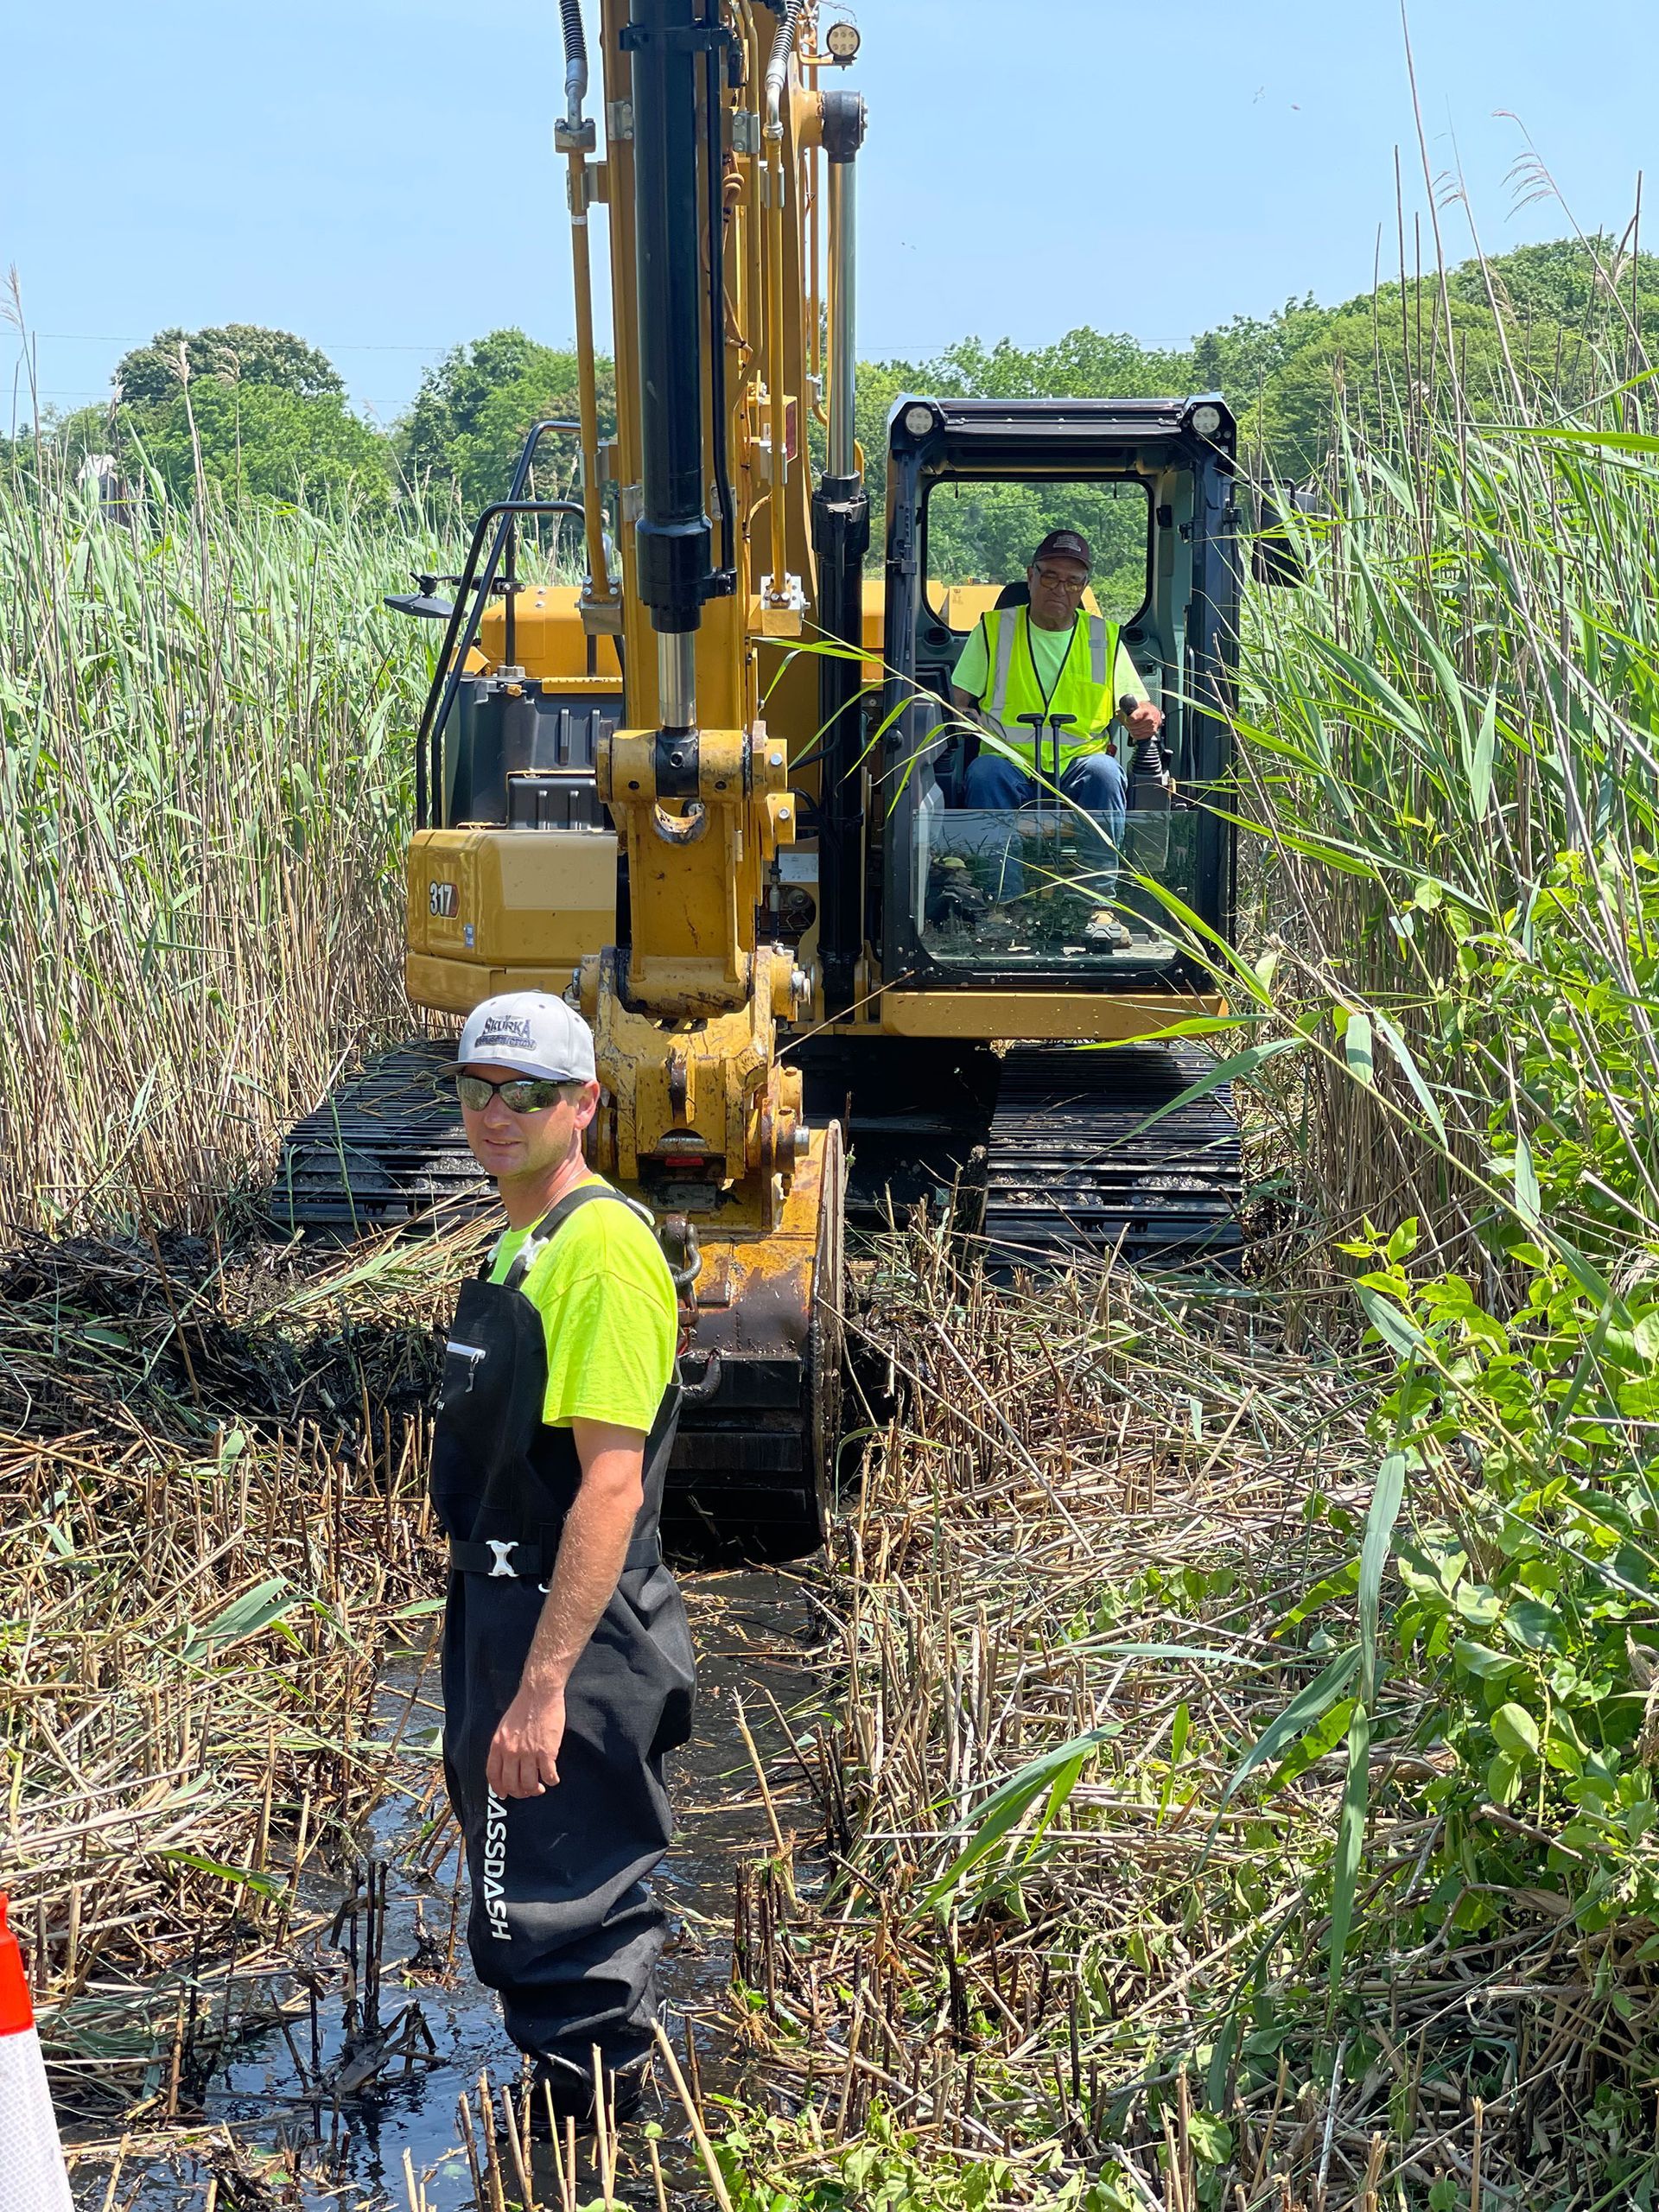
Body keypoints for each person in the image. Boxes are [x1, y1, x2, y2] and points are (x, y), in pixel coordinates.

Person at [431, 989, 693, 2128]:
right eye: (479, 1090)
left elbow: (612, 1483)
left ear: (584, 1103)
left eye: (528, 1093)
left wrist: (540, 1693)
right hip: (506, 1604)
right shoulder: (525, 1240)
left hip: (566, 1632)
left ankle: (605, 2157)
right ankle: (582, 2121)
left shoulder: (598, 1254)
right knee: (522, 1886)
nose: (499, 1115)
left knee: (558, 1909)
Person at [948, 528, 1166, 938]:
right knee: (984, 774)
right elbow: (959, 700)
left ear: (1084, 586)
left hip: (1078, 765)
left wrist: (1146, 717)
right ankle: (1001, 908)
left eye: (1073, 580)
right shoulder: (994, 630)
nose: (1060, 588)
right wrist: (965, 717)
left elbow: (1138, 703)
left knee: (1105, 772)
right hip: (1011, 763)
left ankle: (1099, 909)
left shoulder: (1103, 637)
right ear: (1030, 575)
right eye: (1050, 577)